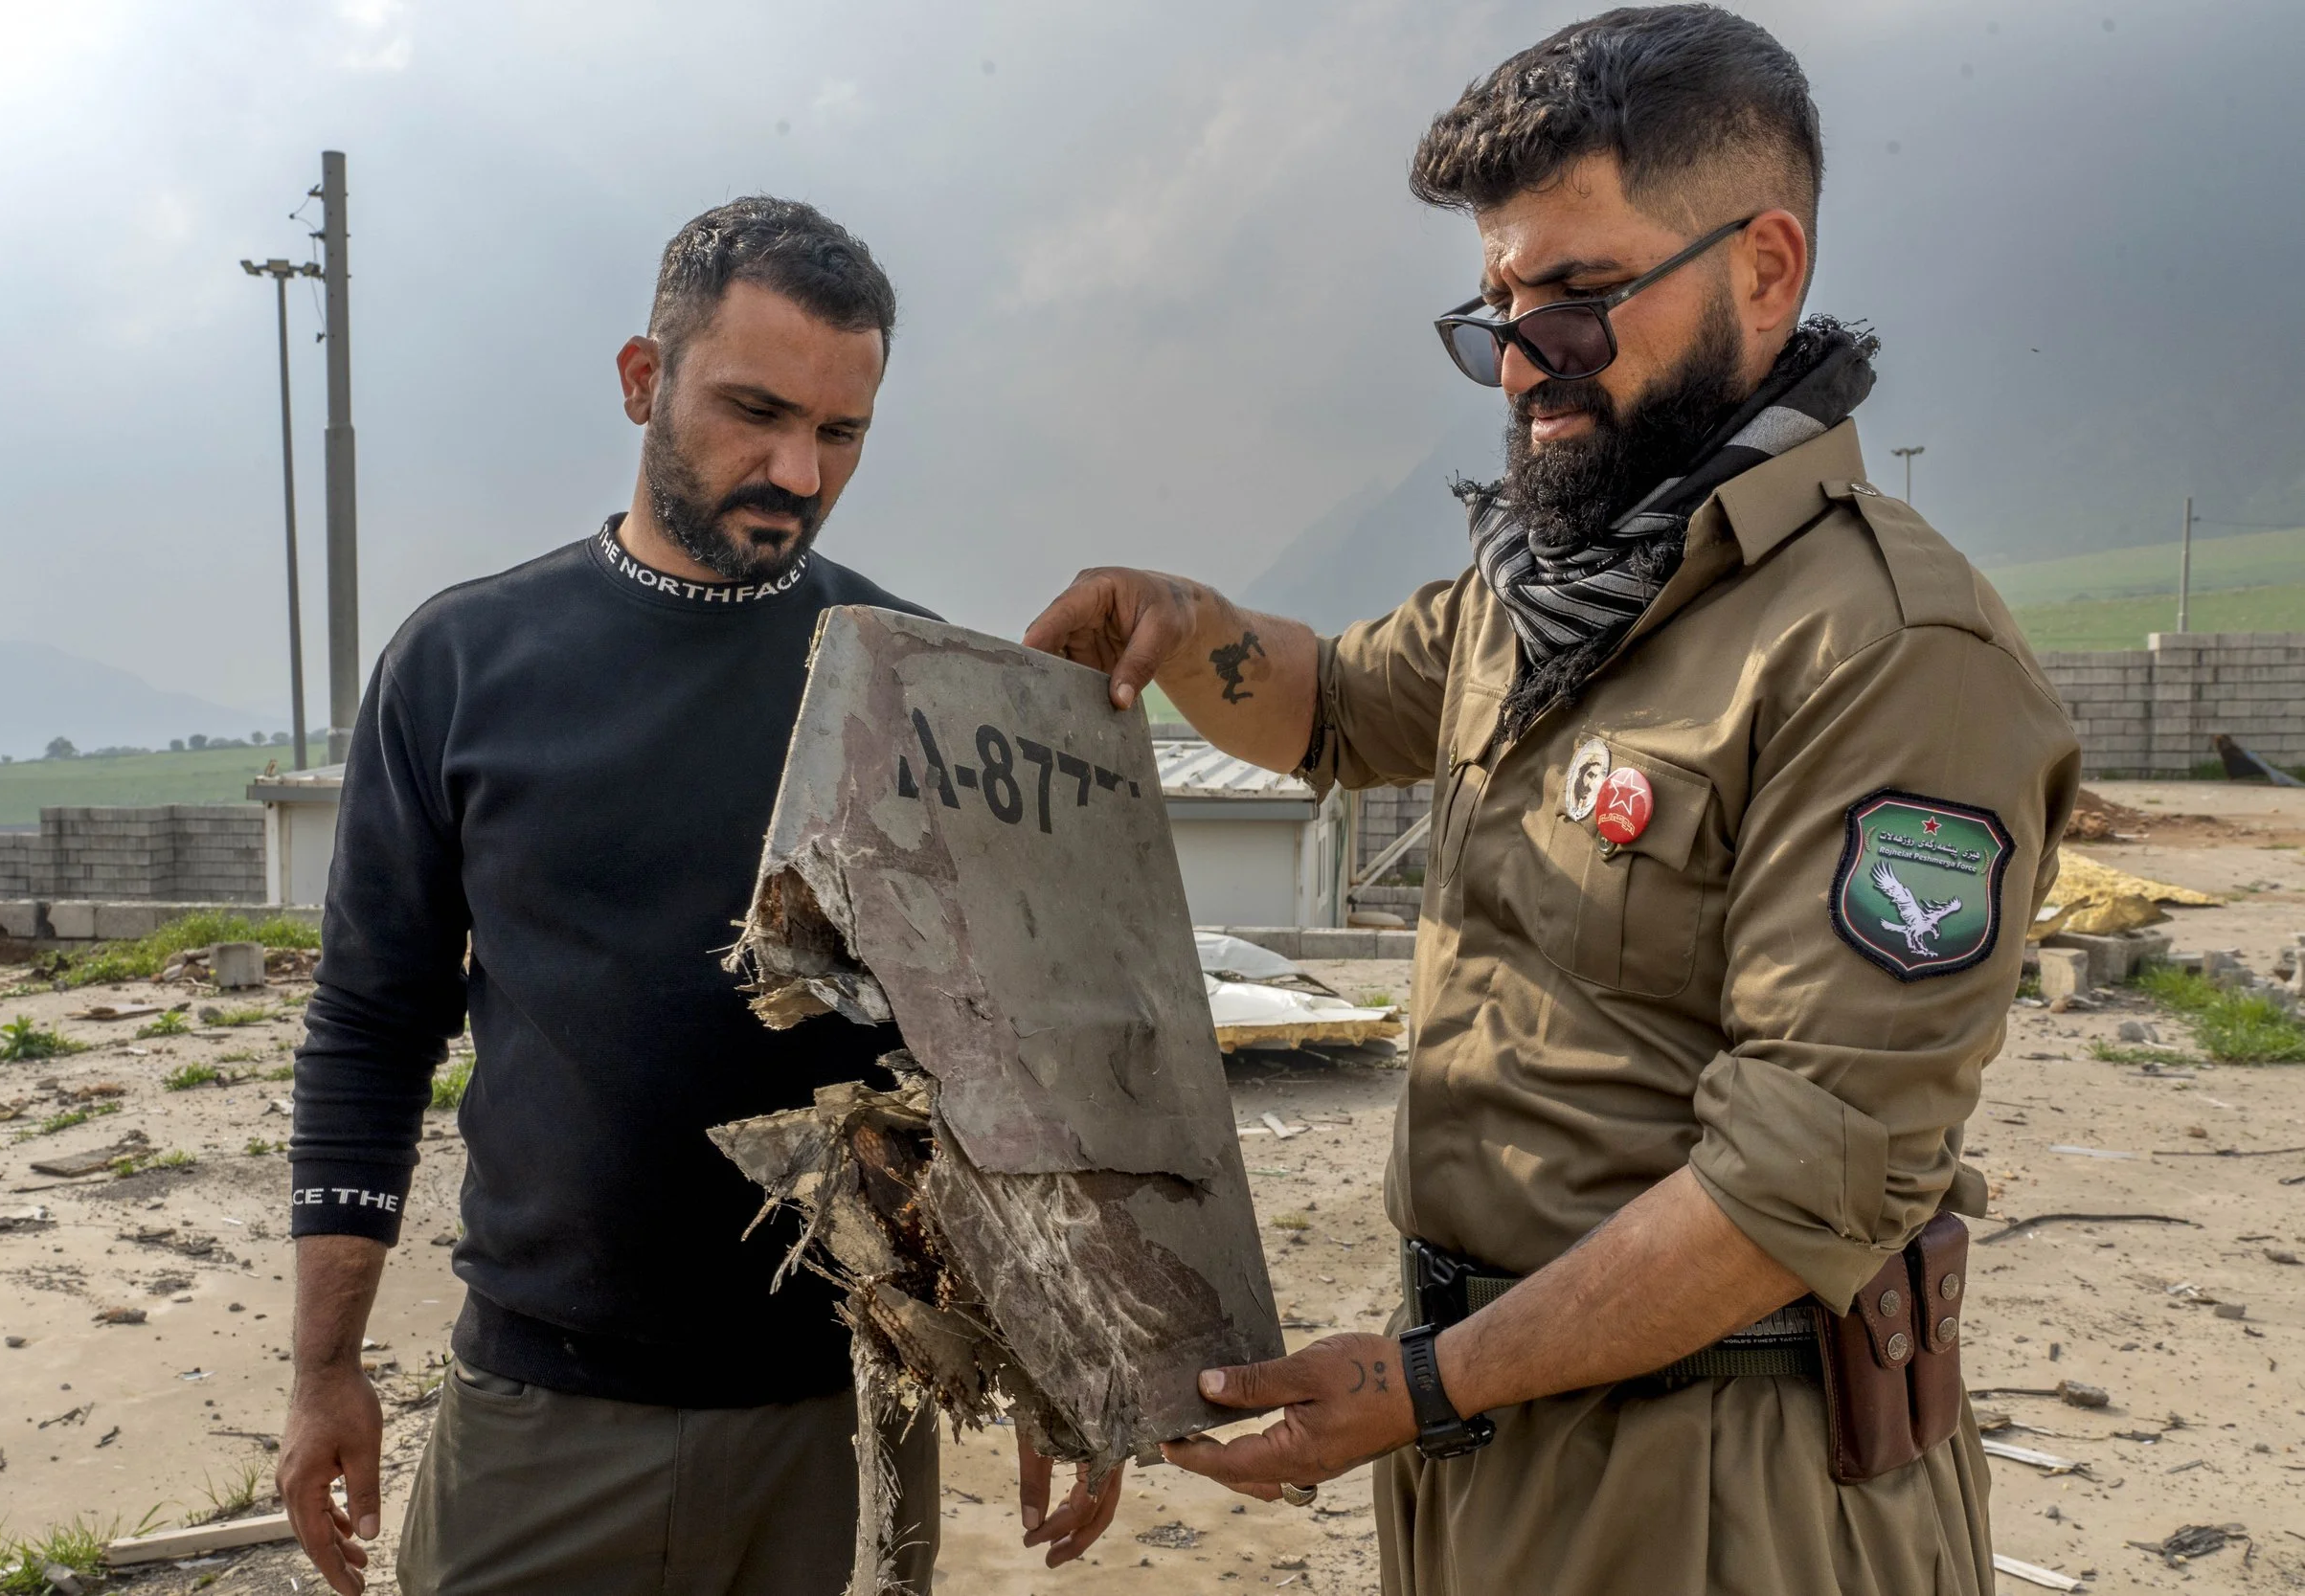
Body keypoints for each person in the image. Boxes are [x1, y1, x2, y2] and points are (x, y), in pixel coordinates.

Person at [1024, 9, 2080, 1594]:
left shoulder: (1888, 651)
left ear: (1765, 270)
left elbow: (1795, 1185)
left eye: (1578, 303)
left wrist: (1424, 1384)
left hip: (1722, 1481)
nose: (1523, 363)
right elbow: (1331, 704)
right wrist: (1184, 624)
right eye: (1498, 311)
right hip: (1490, 1430)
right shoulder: (1545, 600)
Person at [278, 196, 958, 1596]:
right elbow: (370, 1025)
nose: (797, 471)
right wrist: (323, 1368)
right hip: (544, 1414)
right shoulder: (461, 664)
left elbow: (1002, 1045)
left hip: (841, 1410)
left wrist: (1063, 1364)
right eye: (755, 412)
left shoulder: (911, 682)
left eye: (841, 433)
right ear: (644, 379)